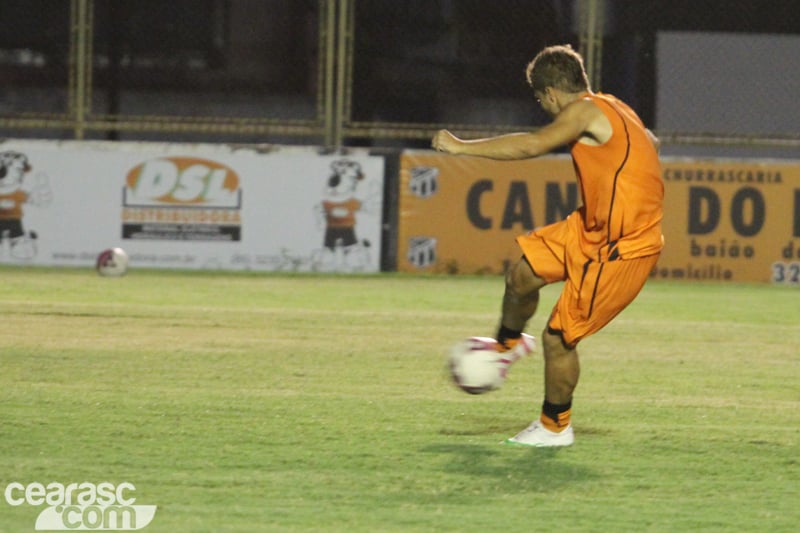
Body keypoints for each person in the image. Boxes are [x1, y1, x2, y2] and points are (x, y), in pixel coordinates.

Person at [432, 44, 664, 447]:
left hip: (622, 248)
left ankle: (555, 426)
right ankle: (506, 346)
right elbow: (650, 142)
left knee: (559, 337)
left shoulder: (584, 111)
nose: (545, 106)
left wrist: (460, 147)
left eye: (541, 100)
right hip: (590, 229)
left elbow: (533, 145)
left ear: (551, 93)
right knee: (522, 274)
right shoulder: (613, 106)